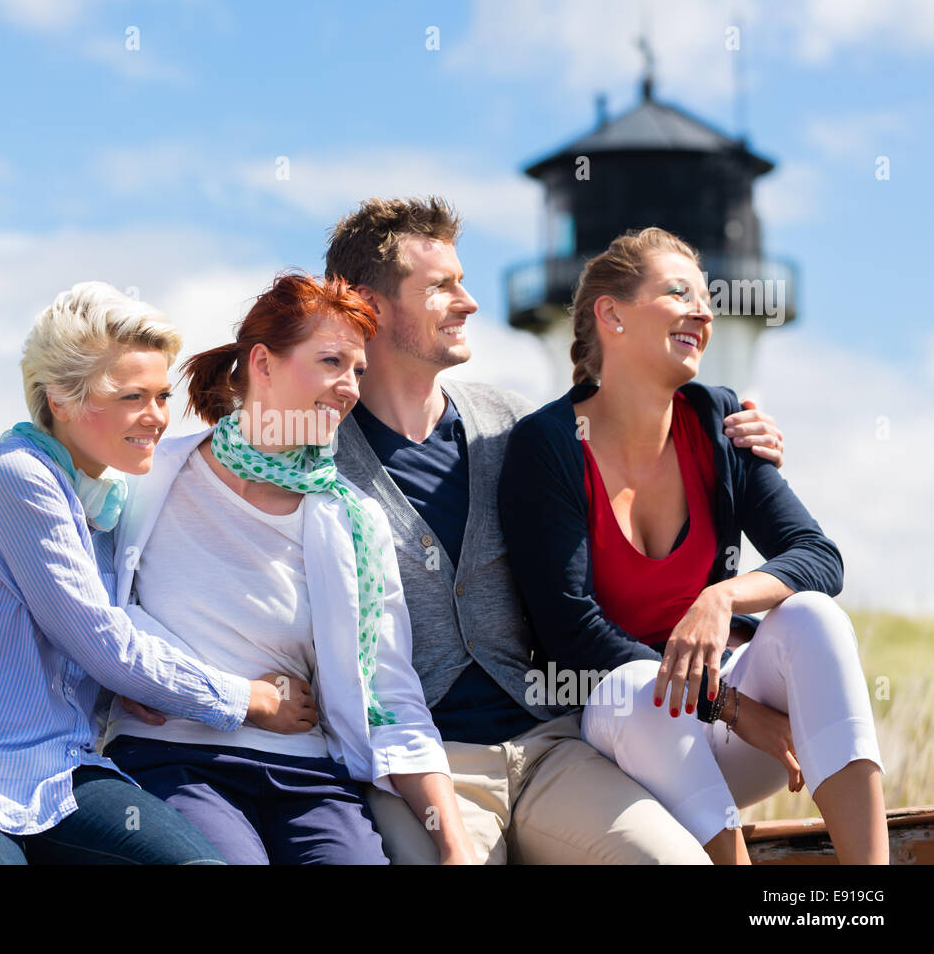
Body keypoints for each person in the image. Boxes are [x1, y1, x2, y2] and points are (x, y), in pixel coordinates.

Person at [323, 196, 789, 864]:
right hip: (421, 770)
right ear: (366, 304)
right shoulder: (315, 462)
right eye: (441, 287)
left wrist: (736, 432)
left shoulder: (522, 427)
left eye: (464, 280)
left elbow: (644, 445)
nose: (469, 301)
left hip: (551, 746)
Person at [0, 282, 313, 865]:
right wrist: (247, 699)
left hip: (61, 774)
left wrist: (137, 683)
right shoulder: (16, 478)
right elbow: (105, 642)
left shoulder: (110, 504)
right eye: (131, 397)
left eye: (163, 395)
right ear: (60, 401)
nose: (156, 417)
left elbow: (131, 624)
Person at [498, 227, 887, 864]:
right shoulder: (549, 446)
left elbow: (819, 557)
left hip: (729, 747)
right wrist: (732, 708)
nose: (704, 311)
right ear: (612, 314)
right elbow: (572, 635)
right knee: (639, 687)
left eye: (706, 297)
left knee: (813, 616)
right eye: (678, 293)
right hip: (625, 747)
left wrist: (721, 597)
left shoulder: (718, 420)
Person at [101, 272, 474, 865]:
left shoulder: (355, 520)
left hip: (309, 774)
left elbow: (391, 695)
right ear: (263, 363)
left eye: (357, 370)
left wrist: (455, 846)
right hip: (172, 756)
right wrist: (143, 678)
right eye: (331, 361)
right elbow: (89, 613)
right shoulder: (145, 480)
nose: (349, 387)